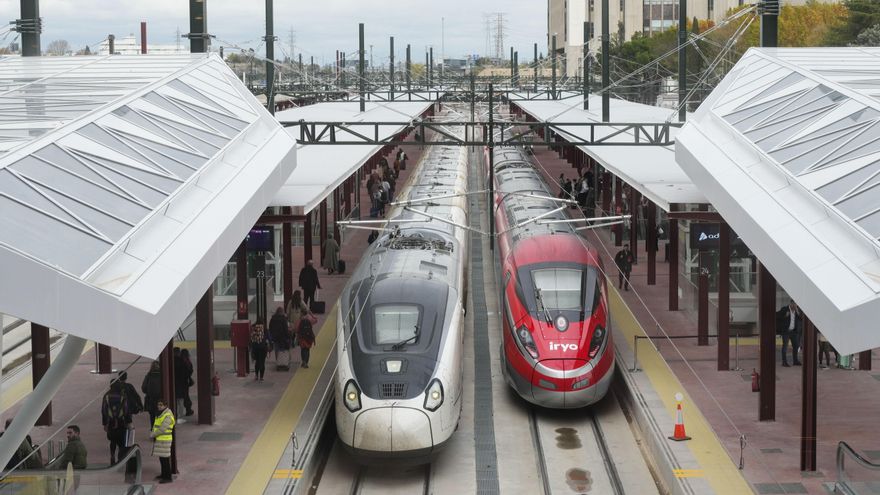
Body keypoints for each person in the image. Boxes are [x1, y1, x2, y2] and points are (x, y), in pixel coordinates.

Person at [101, 380, 131, 465]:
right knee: (121, 442)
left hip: (111, 422)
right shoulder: (122, 396)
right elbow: (126, 410)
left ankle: (112, 455)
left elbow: (104, 410)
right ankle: (120, 459)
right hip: (121, 422)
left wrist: (105, 423)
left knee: (113, 440)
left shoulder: (106, 396)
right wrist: (129, 421)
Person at [150, 400, 174, 484]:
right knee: (162, 458)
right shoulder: (161, 414)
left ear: (165, 405)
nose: (159, 406)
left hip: (165, 439)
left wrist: (153, 434)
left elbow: (162, 429)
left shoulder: (167, 415)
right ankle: (164, 474)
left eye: (161, 405)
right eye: (158, 405)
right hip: (161, 439)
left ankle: (167, 477)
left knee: (165, 459)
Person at [776, 300, 802, 367]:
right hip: (786, 332)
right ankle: (784, 362)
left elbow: (801, 318)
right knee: (785, 346)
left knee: (796, 346)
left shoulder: (797, 311)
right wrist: (785, 316)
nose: (795, 306)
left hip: (794, 332)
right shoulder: (785, 309)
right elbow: (777, 316)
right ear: (791, 303)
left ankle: (795, 361)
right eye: (794, 304)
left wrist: (797, 311)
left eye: (796, 304)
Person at [141, 361, 163, 429]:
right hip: (160, 400)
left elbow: (143, 388)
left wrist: (148, 392)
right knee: (160, 415)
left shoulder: (149, 375)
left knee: (152, 416)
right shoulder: (162, 375)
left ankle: (153, 429)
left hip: (151, 400)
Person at [179, 349, 194, 417]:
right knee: (186, 395)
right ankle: (188, 409)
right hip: (185, 381)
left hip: (181, 381)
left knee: (183, 396)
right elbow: (191, 371)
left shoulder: (180, 361)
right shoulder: (188, 361)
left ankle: (186, 409)